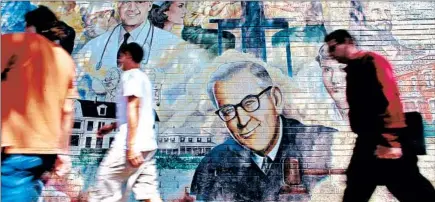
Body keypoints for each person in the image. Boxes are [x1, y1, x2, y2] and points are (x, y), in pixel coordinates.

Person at [190, 59, 338, 201]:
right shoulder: (212, 167)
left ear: (276, 99)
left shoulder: (328, 147)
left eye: (250, 102)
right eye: (228, 111)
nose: (242, 121)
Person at [324, 29, 435, 202]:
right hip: (368, 140)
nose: (331, 54)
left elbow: (391, 97)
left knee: (409, 187)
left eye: (333, 48)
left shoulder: (371, 61)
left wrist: (392, 141)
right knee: (357, 186)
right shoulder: (354, 69)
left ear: (347, 42)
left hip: (383, 140)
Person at [1, 32, 77, 201]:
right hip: (42, 151)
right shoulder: (65, 62)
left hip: (16, 148)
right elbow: (67, 110)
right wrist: (63, 153)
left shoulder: (20, 49)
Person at [88, 42, 162, 202]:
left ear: (128, 55)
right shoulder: (143, 78)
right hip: (147, 145)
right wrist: (112, 126)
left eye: (121, 55)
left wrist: (131, 147)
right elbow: (137, 112)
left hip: (130, 144)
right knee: (149, 194)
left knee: (106, 184)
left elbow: (133, 108)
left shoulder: (131, 76)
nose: (120, 60)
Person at [76, 0, 183, 102]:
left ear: (149, 5)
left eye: (139, 2)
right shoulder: (92, 47)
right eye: (126, 1)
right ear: (118, 4)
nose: (132, 8)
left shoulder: (174, 46)